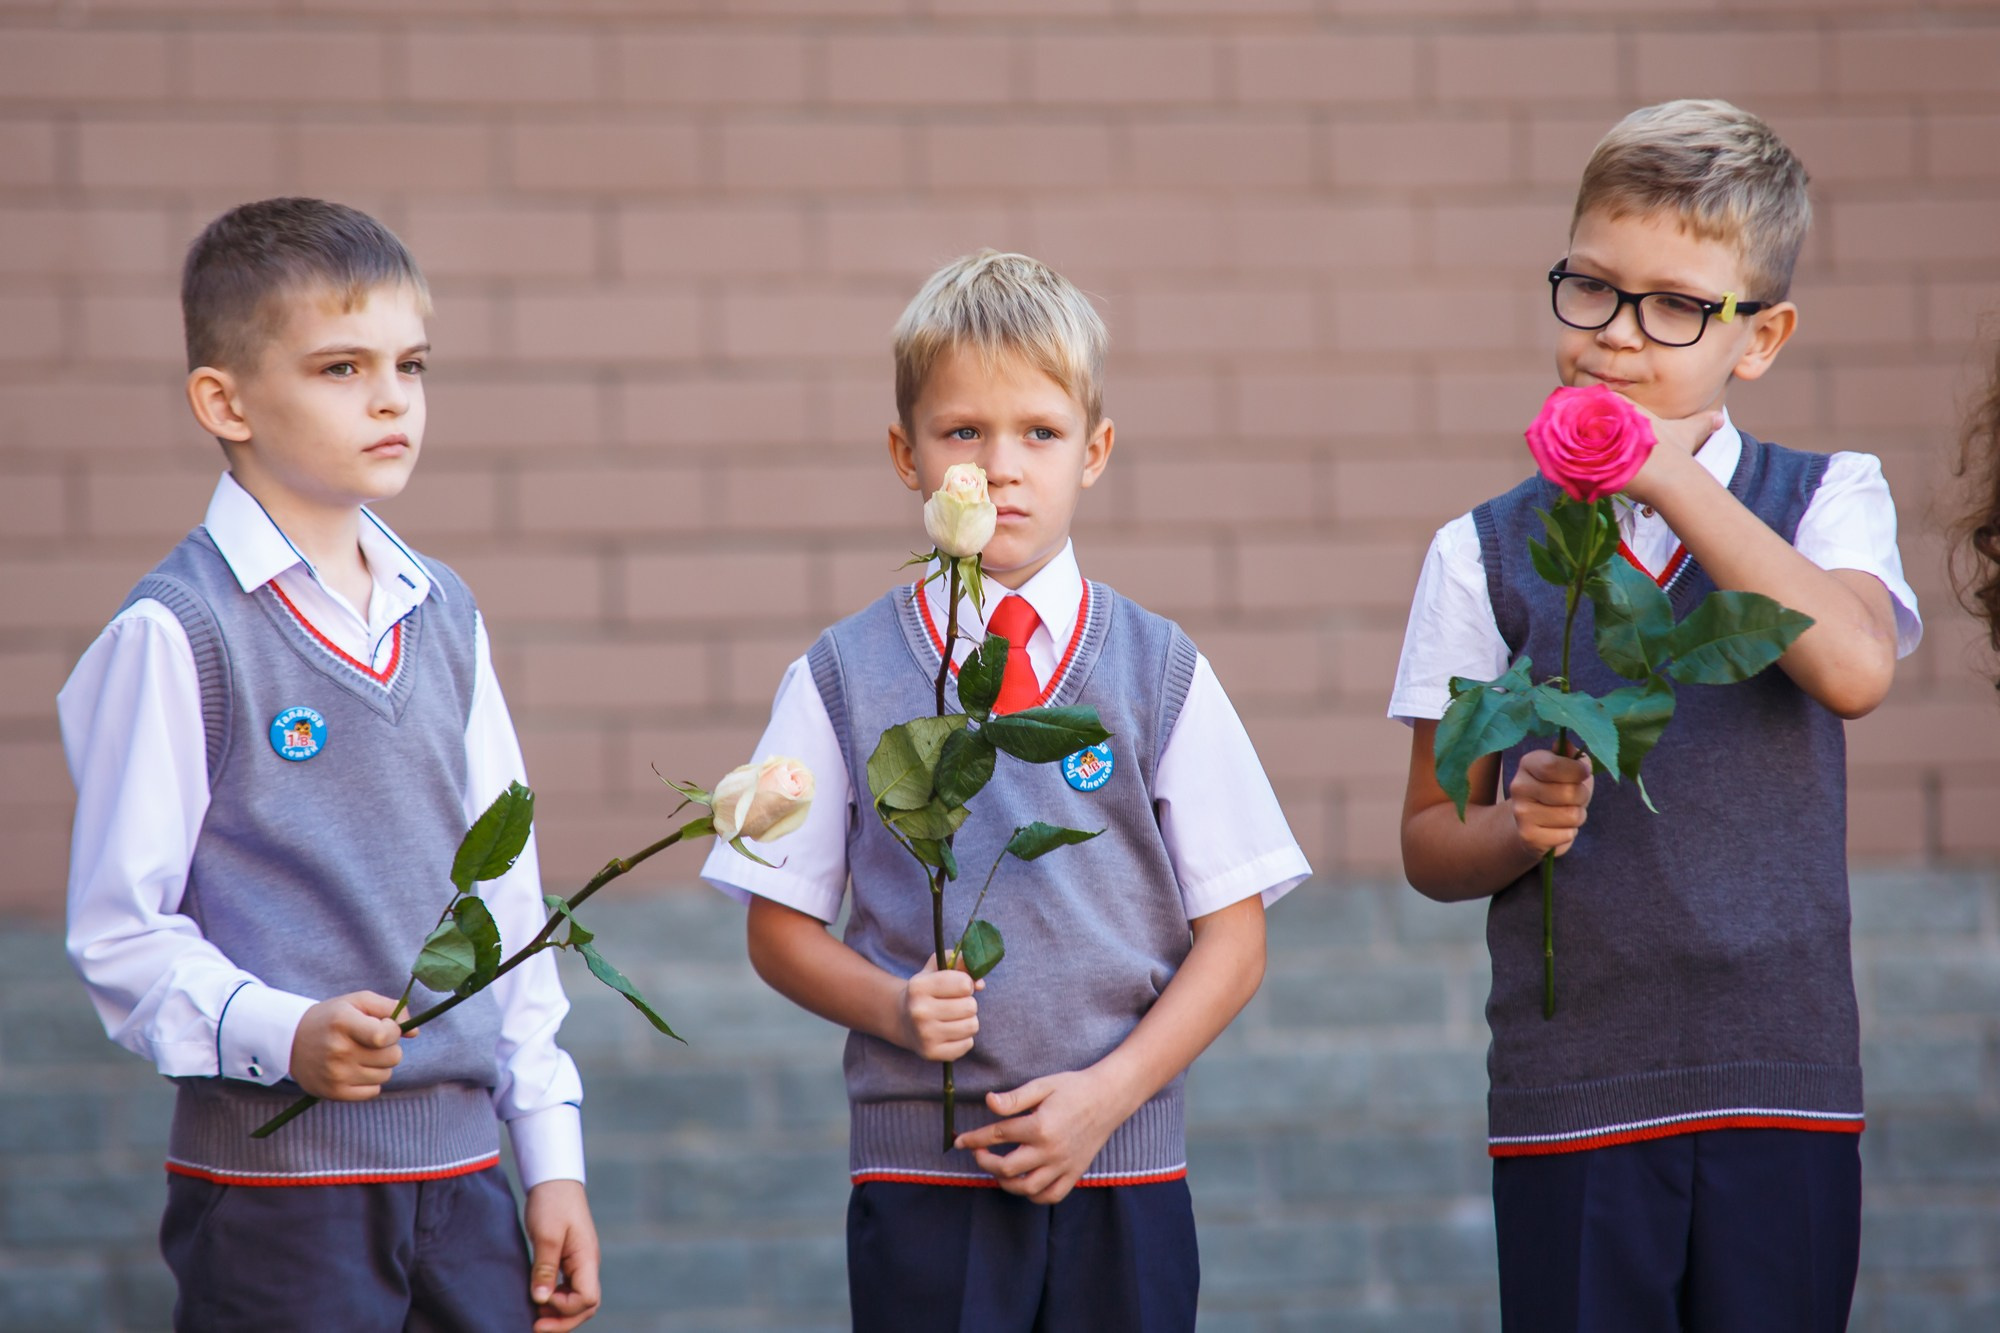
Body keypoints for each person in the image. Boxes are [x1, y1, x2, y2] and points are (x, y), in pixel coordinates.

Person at [702, 250, 1310, 1331]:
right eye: (962, 433)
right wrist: (892, 1006)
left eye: (1039, 432)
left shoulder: (1160, 670)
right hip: (922, 1174)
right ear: (907, 454)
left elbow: (1236, 938)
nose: (1000, 468)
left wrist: (1108, 1097)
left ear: (1095, 450)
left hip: (1121, 1167)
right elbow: (777, 928)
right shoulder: (842, 675)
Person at [1391, 100, 1922, 1331]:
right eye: (1590, 288)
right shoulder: (1478, 551)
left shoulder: (1826, 497)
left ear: (1759, 336)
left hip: (1778, 1076)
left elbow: (1852, 668)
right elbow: (1426, 835)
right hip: (1573, 1088)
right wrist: (1513, 830)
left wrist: (1666, 475)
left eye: (1674, 306)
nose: (1617, 334)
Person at [57, 197, 599, 1332]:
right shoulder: (176, 633)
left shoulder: (447, 614)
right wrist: (283, 1033)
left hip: (466, 1183)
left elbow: (506, 902)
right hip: (276, 1196)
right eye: (342, 367)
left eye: (411, 364)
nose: (391, 397)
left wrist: (551, 1156)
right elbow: (121, 934)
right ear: (226, 401)